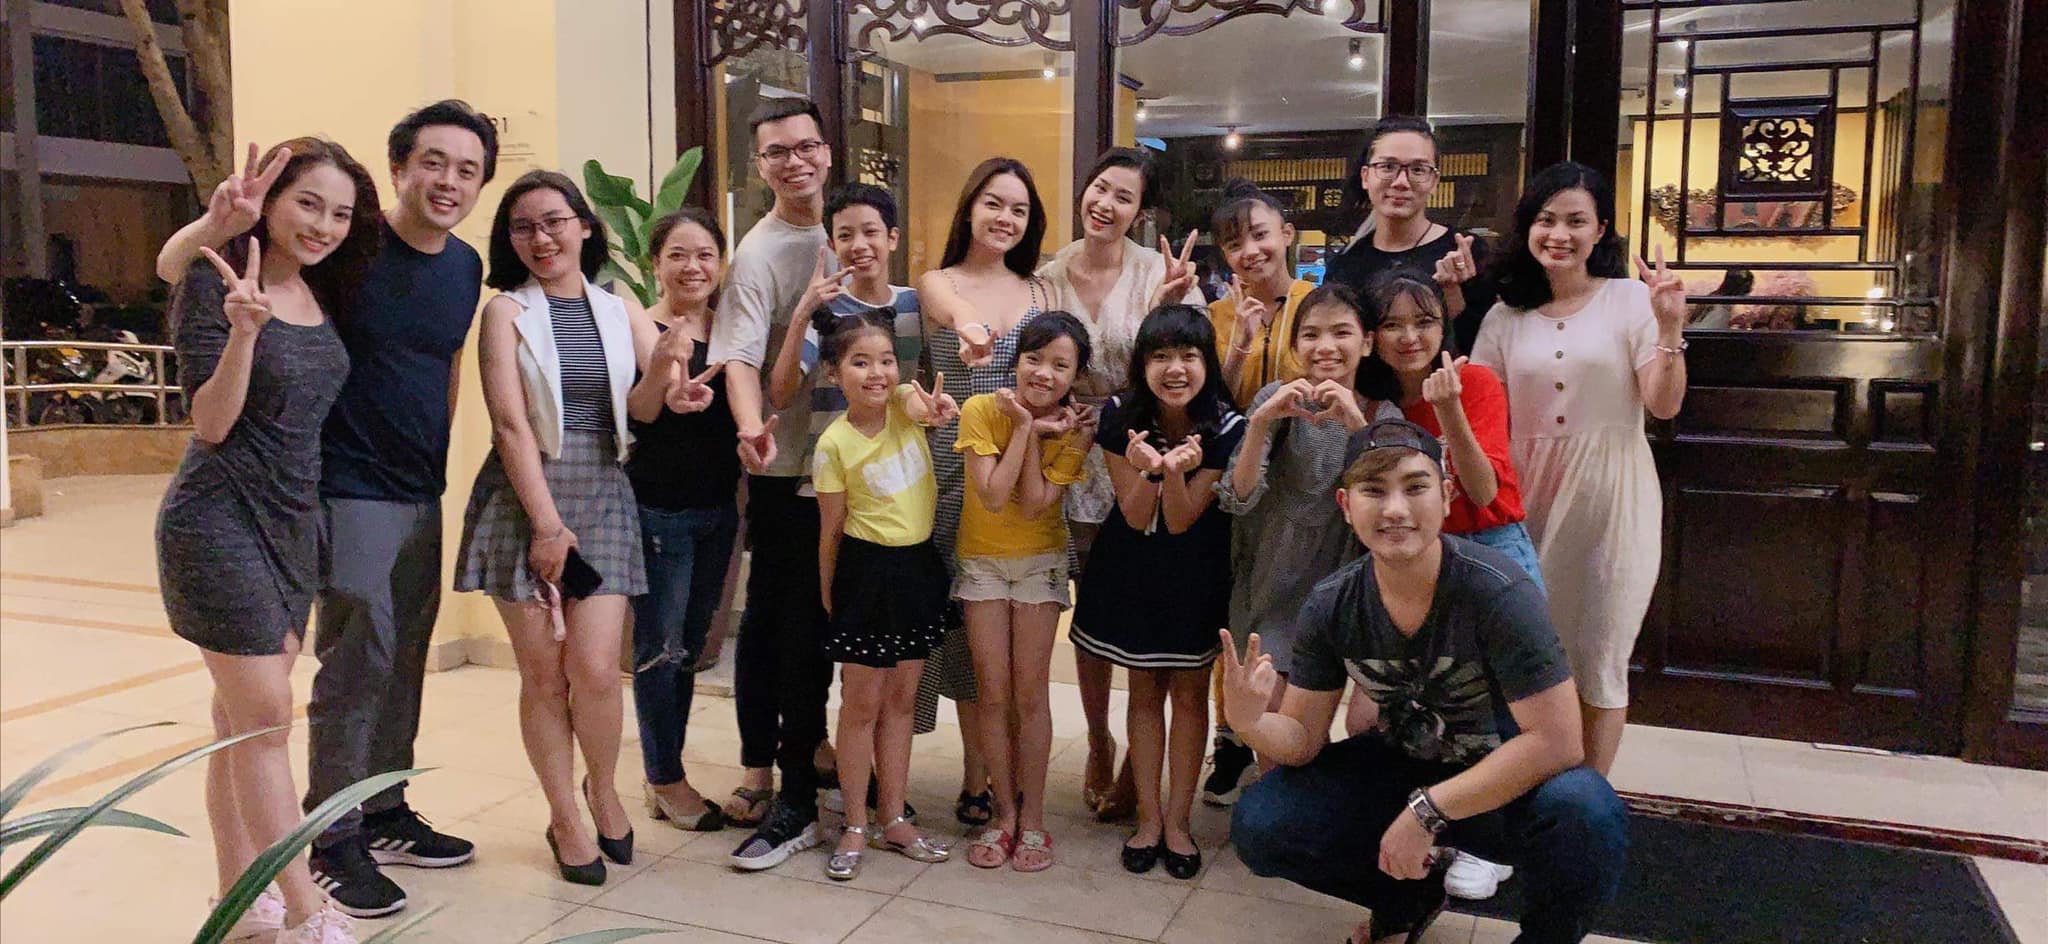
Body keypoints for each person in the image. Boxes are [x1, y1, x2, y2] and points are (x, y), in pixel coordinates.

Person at [153, 101, 497, 919]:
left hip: (373, 496)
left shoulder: (428, 265)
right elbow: (182, 273)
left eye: (468, 170)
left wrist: (437, 454)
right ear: (400, 168)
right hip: (310, 495)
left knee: (337, 681)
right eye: (433, 162)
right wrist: (216, 222)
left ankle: (340, 836)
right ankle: (325, 858)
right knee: (329, 679)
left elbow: (442, 363)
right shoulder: (309, 265)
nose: (449, 181)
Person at [1226, 419, 1629, 944]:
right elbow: (1302, 739)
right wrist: (1250, 722)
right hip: (1401, 766)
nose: (1395, 509)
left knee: (1587, 812)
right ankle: (1404, 899)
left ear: (1445, 496)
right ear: (1346, 505)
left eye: (1415, 487)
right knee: (1263, 821)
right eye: (1374, 491)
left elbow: (1558, 742)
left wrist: (1427, 811)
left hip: (1505, 781)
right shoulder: (1331, 604)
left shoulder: (1499, 592)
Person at [155, 137, 379, 944]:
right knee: (267, 721)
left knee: (238, 726)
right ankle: (310, 911)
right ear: (270, 203)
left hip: (290, 523)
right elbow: (211, 423)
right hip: (217, 521)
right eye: (308, 204)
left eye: (340, 213)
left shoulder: (322, 290)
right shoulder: (220, 284)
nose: (323, 225)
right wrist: (244, 333)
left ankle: (239, 901)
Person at [454, 170, 658, 886]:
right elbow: (510, 424)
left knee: (596, 671)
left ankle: (602, 790)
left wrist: (677, 374)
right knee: (543, 674)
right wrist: (546, 525)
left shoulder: (618, 306)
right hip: (526, 500)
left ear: (584, 227)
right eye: (524, 227)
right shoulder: (505, 313)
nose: (541, 238)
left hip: (603, 493)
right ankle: (563, 815)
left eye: (554, 221)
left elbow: (651, 398)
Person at [1470, 161, 1689, 778]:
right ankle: (1523, 789)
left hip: (1611, 501)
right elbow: (1484, 413)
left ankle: (1585, 802)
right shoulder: (1504, 316)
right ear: (1528, 228)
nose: (1559, 234)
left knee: (1600, 657)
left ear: (1601, 230)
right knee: (1527, 660)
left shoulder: (1629, 300)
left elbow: (1664, 404)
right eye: (1546, 220)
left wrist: (1669, 326)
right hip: (1524, 502)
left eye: (1576, 221)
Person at [1354, 268, 1537, 902]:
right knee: (1438, 705)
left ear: (1444, 325)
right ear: (1373, 336)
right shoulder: (1377, 405)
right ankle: (1441, 827)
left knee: (1504, 703)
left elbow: (1482, 491)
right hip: (1417, 559)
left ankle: (1494, 845)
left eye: (1424, 321)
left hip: (1490, 548)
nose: (1410, 336)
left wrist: (1449, 408)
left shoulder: (1475, 381)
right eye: (1393, 324)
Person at [1035, 147, 1204, 819]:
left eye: (1123, 197)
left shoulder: (1159, 272)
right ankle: (1099, 740)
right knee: (1091, 615)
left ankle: (1138, 758)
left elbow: (1186, 365)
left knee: (1143, 606)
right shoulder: (1048, 276)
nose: (1105, 204)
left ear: (1141, 211)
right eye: (1100, 188)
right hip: (1072, 457)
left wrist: (1167, 305)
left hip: (1144, 457)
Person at [1071, 305, 1247, 881]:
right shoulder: (1120, 415)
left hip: (1196, 570)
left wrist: (1173, 471)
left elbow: (1181, 518)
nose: (1175, 368)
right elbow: (1133, 511)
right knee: (1144, 691)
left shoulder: (1227, 425)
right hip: (1131, 568)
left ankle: (1178, 823)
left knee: (1191, 696)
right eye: (1161, 356)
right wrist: (1150, 470)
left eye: (1189, 355)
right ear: (1142, 363)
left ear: (1207, 362)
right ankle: (1147, 820)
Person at [712, 98, 840, 866]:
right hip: (785, 469)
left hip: (847, 472)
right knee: (778, 625)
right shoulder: (758, 253)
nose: (794, 162)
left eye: (805, 147)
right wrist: (749, 427)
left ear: (826, 151)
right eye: (777, 152)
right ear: (760, 166)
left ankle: (809, 748)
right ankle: (768, 769)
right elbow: (737, 356)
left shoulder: (849, 229)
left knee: (817, 624)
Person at [915, 156, 1055, 829]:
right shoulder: (937, 282)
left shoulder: (1041, 291)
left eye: (1019, 210)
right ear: (970, 207)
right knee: (958, 629)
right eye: (994, 203)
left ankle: (999, 777)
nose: (1005, 218)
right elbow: (956, 312)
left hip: (1023, 472)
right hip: (952, 472)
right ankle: (976, 771)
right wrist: (971, 331)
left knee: (1004, 638)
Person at [1215, 282, 1400, 780]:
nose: (1325, 346)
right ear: (1295, 345)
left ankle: (1325, 806)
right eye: (1311, 334)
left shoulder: (1382, 414)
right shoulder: (1277, 400)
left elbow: (1390, 505)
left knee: (1350, 727)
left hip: (1347, 589)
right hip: (1272, 581)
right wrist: (1260, 422)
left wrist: (1357, 424)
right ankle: (1284, 813)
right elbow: (1237, 496)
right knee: (1275, 736)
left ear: (1366, 342)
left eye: (1341, 333)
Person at [809, 311, 960, 881]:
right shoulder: (833, 443)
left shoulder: (902, 406)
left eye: (886, 360)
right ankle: (854, 821)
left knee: (902, 701)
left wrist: (935, 408)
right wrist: (831, 598)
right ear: (833, 372)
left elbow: (920, 404)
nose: (876, 373)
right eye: (859, 362)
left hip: (917, 570)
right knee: (861, 705)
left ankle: (893, 817)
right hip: (864, 575)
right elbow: (830, 530)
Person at [953, 312, 1095, 872]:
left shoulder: (1077, 429)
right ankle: (1003, 814)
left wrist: (1036, 435)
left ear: (1076, 376)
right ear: (1015, 361)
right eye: (1034, 359)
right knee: (992, 693)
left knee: (1030, 695)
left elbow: (1035, 502)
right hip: (981, 564)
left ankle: (1033, 818)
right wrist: (1026, 430)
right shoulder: (981, 409)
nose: (1044, 373)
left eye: (1060, 365)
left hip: (1040, 564)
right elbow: (991, 495)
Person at [628, 208, 740, 833]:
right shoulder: (640, 324)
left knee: (690, 648)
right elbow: (642, 413)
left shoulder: (731, 331)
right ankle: (665, 777)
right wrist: (663, 376)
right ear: (656, 264)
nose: (692, 267)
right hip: (659, 512)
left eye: (704, 255)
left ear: (720, 264)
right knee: (659, 650)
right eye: (677, 254)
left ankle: (664, 770)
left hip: (719, 511)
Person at [1324, 115, 1497, 355]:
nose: (1401, 182)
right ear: (1365, 177)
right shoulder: (1345, 265)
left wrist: (1452, 294)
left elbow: (1483, 350)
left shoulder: (1466, 253)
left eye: (1418, 169)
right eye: (1387, 167)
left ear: (1434, 181)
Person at [1207, 178, 1314, 407]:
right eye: (1234, 245)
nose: (1250, 251)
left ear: (1287, 234)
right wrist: (1241, 345)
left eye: (1260, 235)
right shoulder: (1215, 315)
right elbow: (1212, 402)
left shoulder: (1317, 305)